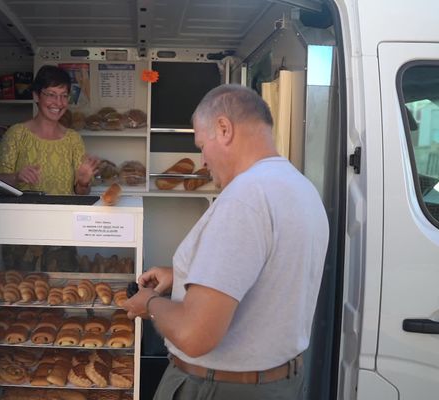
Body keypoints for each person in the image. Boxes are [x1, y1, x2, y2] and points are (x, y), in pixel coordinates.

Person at [123, 84, 329, 400]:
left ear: (224, 129)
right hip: (279, 385)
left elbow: (195, 335)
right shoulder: (301, 188)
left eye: (201, 145)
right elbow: (270, 280)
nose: (202, 159)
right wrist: (181, 277)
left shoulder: (244, 198)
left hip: (220, 389)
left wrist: (148, 303)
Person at [0, 65, 99, 195]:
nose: (58, 103)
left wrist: (83, 182)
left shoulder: (73, 139)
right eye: (51, 95)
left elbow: (81, 193)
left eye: (64, 96)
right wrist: (16, 176)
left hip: (61, 215)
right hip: (23, 215)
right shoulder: (17, 134)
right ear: (36, 96)